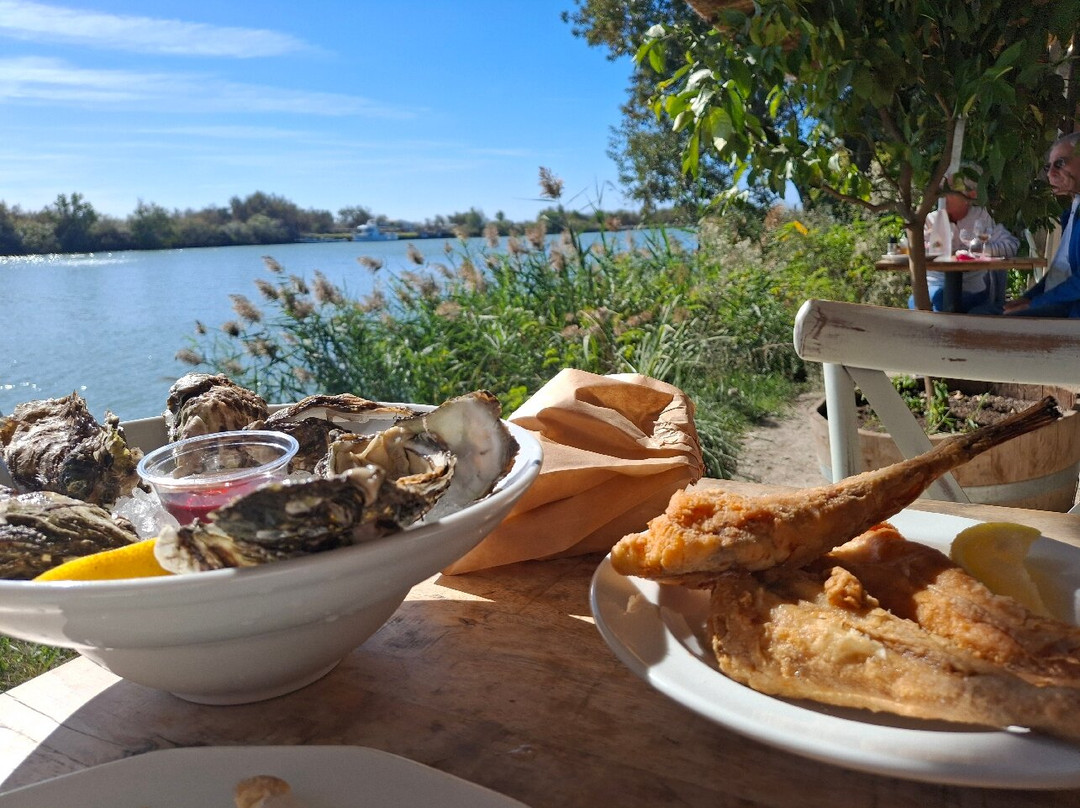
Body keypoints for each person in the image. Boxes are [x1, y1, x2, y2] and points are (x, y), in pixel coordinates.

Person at [910, 171, 1019, 313]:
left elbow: (1012, 245)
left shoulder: (981, 218)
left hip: (972, 288)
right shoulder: (930, 220)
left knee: (946, 307)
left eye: (951, 190)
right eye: (943, 190)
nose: (944, 196)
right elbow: (911, 251)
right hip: (934, 285)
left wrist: (980, 249)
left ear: (971, 195)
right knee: (929, 301)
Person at [1003, 132, 1080, 318]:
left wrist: (1034, 303)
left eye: (1060, 163)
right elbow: (1059, 273)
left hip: (1072, 313)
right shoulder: (1071, 211)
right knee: (983, 314)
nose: (1051, 173)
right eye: (1048, 166)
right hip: (1060, 305)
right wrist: (1028, 298)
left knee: (987, 324)